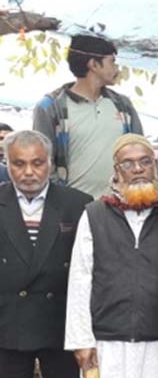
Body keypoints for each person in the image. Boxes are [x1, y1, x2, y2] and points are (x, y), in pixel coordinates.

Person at [64, 134, 158, 378]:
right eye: (128, 163)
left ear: (155, 166)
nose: (137, 169)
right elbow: (80, 279)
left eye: (145, 162)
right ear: (116, 170)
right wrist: (81, 340)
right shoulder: (95, 214)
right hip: (106, 340)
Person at [0, 130, 92, 378]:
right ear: (7, 164)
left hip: (60, 324)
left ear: (50, 163)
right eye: (19, 164)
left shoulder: (79, 204)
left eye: (37, 163)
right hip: (7, 323)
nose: (29, 172)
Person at [33, 34, 143, 198]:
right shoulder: (50, 108)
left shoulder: (123, 105)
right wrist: (61, 202)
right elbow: (40, 162)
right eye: (112, 62)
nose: (117, 69)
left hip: (121, 204)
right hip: (72, 207)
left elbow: (140, 151)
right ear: (94, 64)